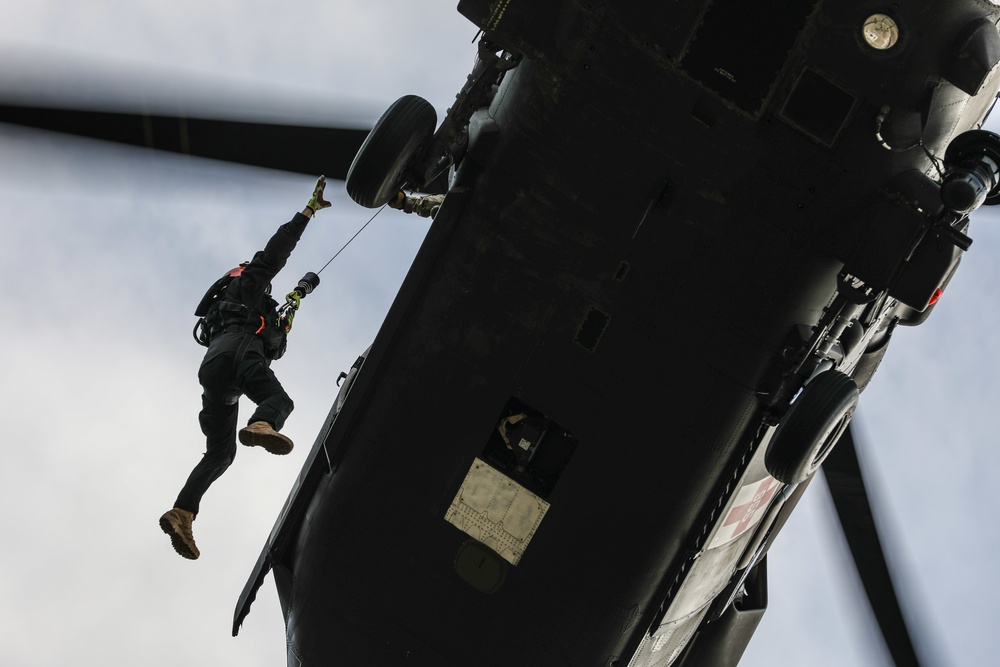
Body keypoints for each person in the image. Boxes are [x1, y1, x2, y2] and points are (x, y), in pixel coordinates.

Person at [160, 176, 331, 560]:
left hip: (215, 372)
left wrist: (281, 324)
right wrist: (307, 213)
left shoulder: (234, 309)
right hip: (239, 356)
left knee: (220, 454)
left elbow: (271, 349)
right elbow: (273, 255)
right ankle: (262, 423)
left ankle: (182, 511)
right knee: (278, 400)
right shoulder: (245, 286)